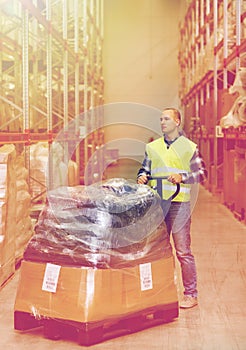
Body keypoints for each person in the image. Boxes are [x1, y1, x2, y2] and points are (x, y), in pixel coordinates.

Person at [137, 107, 207, 309]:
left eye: (167, 118)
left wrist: (183, 177)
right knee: (158, 250)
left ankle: (190, 294)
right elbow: (145, 168)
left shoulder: (189, 147)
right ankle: (160, 294)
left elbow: (201, 174)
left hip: (179, 205)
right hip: (158, 205)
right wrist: (142, 176)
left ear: (177, 122)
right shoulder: (153, 147)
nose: (162, 122)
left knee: (183, 251)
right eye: (160, 119)